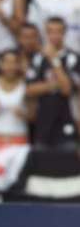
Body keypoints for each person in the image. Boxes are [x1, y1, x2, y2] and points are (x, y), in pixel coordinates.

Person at [30, 18, 79, 148]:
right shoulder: (38, 58)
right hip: (42, 123)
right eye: (50, 31)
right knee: (41, 166)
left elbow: (67, 90)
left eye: (58, 31)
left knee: (66, 164)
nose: (54, 35)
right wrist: (55, 84)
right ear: (45, 33)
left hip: (66, 120)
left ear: (64, 33)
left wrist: (54, 59)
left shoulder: (72, 57)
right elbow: (29, 90)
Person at [0, 49, 30, 148]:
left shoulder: (25, 83)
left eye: (14, 63)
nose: (10, 66)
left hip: (19, 136)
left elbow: (33, 116)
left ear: (18, 65)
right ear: (1, 65)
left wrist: (23, 114)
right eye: (7, 62)